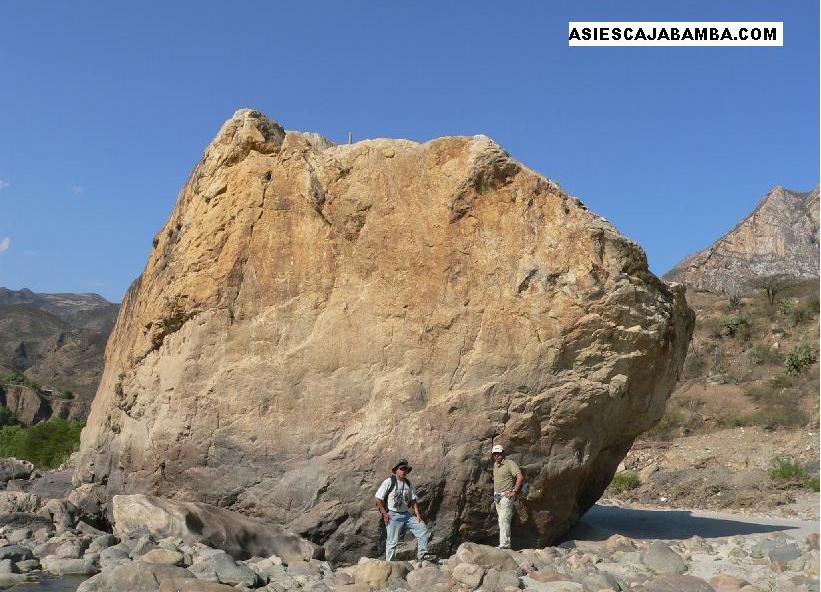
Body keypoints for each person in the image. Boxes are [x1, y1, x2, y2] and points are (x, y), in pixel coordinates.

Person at [375, 458, 429, 562]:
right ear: (396, 470)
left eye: (406, 469)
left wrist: (417, 514)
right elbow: (378, 498)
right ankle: (389, 564)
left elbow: (413, 500)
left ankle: (422, 555)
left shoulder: (408, 483)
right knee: (392, 542)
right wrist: (385, 514)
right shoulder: (389, 482)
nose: (404, 471)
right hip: (393, 515)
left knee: (422, 529)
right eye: (402, 469)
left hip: (406, 515)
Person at [491, 444, 523, 549]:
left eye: (498, 453)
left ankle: (505, 545)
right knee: (501, 519)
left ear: (503, 453)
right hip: (497, 496)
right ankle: (504, 543)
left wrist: (514, 491)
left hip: (506, 495)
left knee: (504, 519)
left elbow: (520, 476)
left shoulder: (510, 463)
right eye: (494, 454)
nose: (496, 455)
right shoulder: (495, 465)